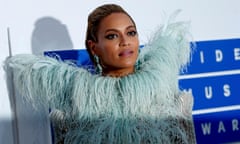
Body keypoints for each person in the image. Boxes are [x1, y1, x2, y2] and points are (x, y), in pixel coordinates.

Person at [5, 3, 196, 144]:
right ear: (94, 47)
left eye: (131, 33)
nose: (125, 41)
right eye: (112, 36)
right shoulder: (75, 104)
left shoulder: (171, 100)